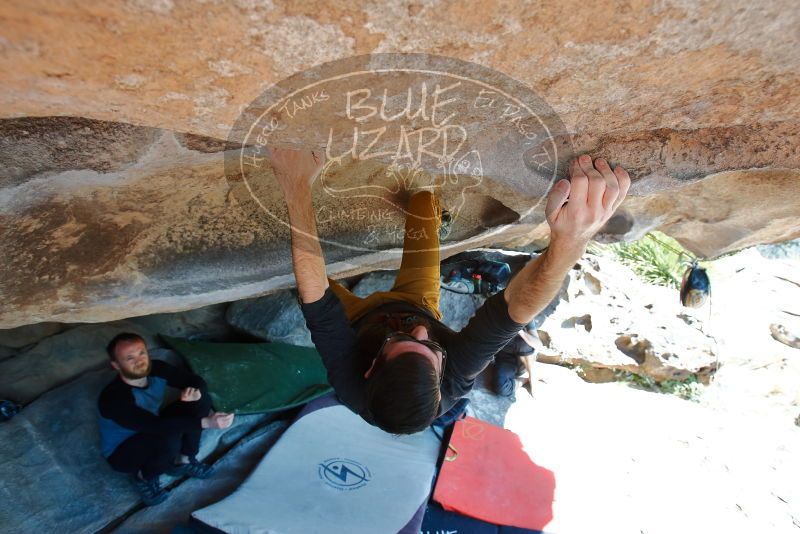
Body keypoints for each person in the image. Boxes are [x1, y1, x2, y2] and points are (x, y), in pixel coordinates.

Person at [271, 148, 630, 434]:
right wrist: (571, 241)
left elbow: (317, 300)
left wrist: (295, 183)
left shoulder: (351, 383)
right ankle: (432, 217)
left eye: (405, 342)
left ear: (370, 369)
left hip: (354, 320)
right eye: (431, 347)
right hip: (417, 300)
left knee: (296, 273)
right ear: (441, 374)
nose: (423, 331)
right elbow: (513, 313)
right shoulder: (455, 376)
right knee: (424, 203)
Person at [97, 333, 235, 506]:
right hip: (123, 451)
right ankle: (144, 477)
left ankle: (184, 460)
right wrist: (206, 422)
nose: (139, 361)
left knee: (201, 400)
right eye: (129, 358)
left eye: (141, 353)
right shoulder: (114, 398)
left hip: (154, 424)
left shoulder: (156, 369)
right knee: (168, 438)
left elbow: (194, 380)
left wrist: (193, 392)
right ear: (116, 365)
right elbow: (154, 426)